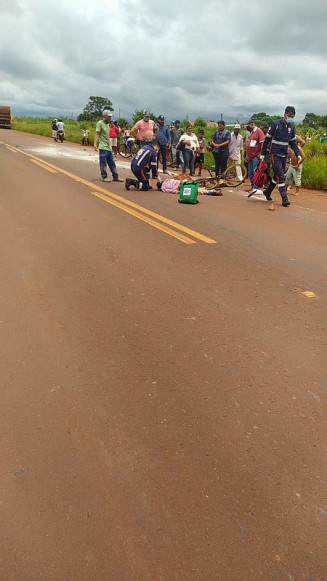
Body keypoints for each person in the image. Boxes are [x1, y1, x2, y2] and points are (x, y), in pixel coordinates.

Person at [261, 106, 301, 207]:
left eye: (292, 116)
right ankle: (284, 198)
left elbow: (293, 142)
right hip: (274, 154)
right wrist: (262, 153)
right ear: (284, 114)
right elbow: (267, 140)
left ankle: (268, 192)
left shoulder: (291, 127)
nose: (290, 118)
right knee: (281, 175)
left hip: (284, 156)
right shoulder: (276, 124)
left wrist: (297, 154)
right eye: (289, 115)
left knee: (276, 176)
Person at [94, 110, 123, 182]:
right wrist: (95, 144)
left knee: (112, 162)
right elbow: (97, 133)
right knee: (103, 162)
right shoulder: (100, 123)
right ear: (104, 116)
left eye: (110, 117)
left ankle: (115, 176)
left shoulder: (107, 124)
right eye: (109, 116)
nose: (110, 118)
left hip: (109, 147)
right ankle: (104, 176)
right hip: (103, 147)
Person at [245, 119, 265, 195]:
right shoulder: (250, 132)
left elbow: (262, 143)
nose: (247, 127)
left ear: (252, 124)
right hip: (250, 156)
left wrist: (260, 153)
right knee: (250, 172)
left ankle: (256, 187)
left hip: (256, 156)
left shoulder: (259, 131)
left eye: (248, 125)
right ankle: (253, 186)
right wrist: (247, 155)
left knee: (255, 171)